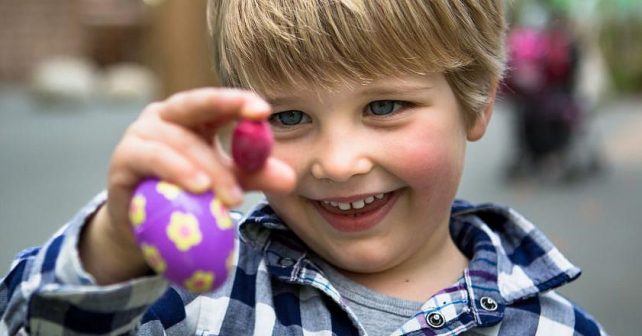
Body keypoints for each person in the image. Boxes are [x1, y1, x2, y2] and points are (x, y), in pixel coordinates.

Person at [1, 1, 606, 335]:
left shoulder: (557, 329)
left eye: (385, 106)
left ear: (475, 102)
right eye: (288, 118)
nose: (338, 164)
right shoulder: (203, 293)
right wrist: (114, 245)